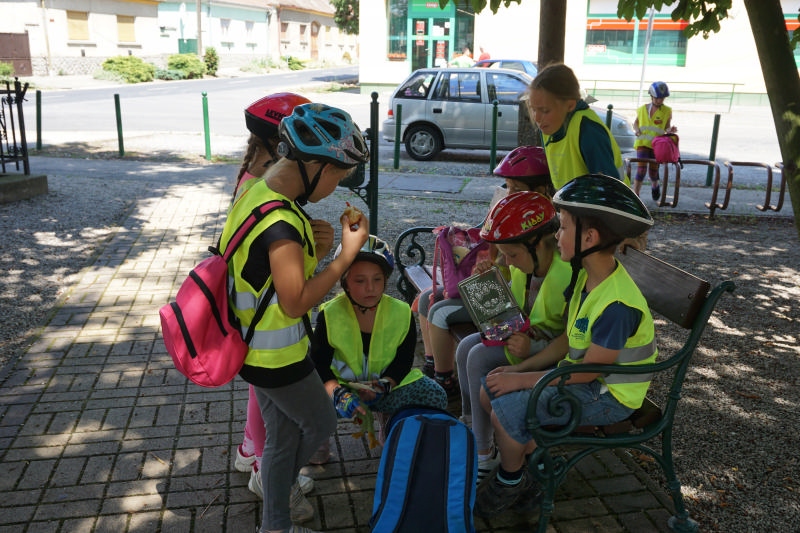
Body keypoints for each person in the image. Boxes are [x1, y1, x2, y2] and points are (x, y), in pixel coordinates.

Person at [222, 102, 370, 533]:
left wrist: (315, 251)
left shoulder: (259, 191)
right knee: (320, 421)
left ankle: (275, 526)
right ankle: (277, 501)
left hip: (256, 347)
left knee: (282, 439)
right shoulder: (282, 224)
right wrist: (344, 257)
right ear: (316, 167)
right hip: (276, 356)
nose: (336, 186)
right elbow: (295, 303)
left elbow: (268, 275)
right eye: (338, 176)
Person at [473, 174, 656, 519]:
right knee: (490, 389)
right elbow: (568, 340)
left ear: (589, 237)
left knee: (506, 411)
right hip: (582, 381)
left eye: (564, 227)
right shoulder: (586, 276)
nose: (556, 234)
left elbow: (588, 372)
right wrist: (520, 368)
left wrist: (521, 380)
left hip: (609, 397)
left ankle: (512, 479)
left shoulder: (617, 305)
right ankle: (534, 468)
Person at [230, 93, 320, 500]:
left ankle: (251, 449)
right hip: (267, 329)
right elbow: (291, 293)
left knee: (260, 392)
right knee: (268, 395)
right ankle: (265, 470)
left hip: (254, 324)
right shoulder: (269, 194)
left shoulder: (253, 179)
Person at [416, 146, 554, 398]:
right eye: (507, 187)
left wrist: (495, 271)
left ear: (542, 189)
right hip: (502, 299)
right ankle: (433, 366)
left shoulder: (541, 234)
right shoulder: (510, 214)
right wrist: (488, 269)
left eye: (516, 189)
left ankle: (444, 380)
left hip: (513, 316)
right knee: (427, 297)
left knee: (441, 312)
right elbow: (500, 263)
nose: (508, 194)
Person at [455, 191, 571, 485]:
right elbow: (519, 303)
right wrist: (492, 277)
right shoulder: (529, 264)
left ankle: (483, 451)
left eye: (513, 255)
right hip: (524, 341)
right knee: (465, 347)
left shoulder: (568, 275)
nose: (508, 261)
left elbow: (571, 340)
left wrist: (533, 346)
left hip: (547, 356)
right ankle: (473, 426)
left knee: (478, 356)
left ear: (538, 244)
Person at [311, 236, 448, 445]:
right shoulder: (329, 315)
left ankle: (392, 420)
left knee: (435, 395)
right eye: (360, 281)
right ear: (345, 282)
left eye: (377, 279)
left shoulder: (401, 312)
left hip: (385, 389)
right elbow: (319, 365)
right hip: (343, 390)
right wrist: (338, 394)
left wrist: (385, 385)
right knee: (302, 400)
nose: (370, 288)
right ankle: (318, 440)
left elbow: (403, 362)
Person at [526, 63, 624, 191]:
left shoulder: (589, 132)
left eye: (545, 111)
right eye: (533, 110)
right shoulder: (549, 126)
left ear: (570, 105)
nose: (537, 118)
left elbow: (609, 191)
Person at [633, 81, 677, 200]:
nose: (660, 100)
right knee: (641, 170)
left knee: (653, 171)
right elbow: (636, 123)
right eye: (657, 98)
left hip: (657, 146)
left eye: (662, 98)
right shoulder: (642, 109)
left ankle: (655, 185)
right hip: (642, 144)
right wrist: (637, 130)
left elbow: (666, 127)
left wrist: (670, 130)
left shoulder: (667, 111)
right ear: (651, 96)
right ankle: (635, 196)